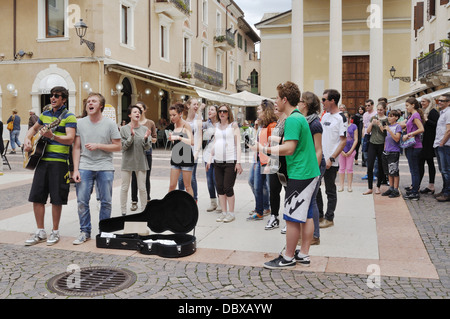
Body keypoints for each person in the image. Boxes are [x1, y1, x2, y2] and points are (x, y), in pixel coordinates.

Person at [262, 82, 320, 269]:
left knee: (292, 216)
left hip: (301, 174)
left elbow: (289, 148)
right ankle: (303, 254)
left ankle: (288, 257)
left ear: (285, 99)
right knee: (307, 214)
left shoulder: (293, 119)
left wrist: (265, 149)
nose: (275, 101)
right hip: (308, 172)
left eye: (277, 98)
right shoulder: (299, 117)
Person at [23, 86, 77, 246]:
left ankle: (55, 231)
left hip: (59, 162)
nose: (53, 98)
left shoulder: (69, 116)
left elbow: (70, 139)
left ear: (64, 99)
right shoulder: (45, 114)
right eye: (51, 95)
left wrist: (52, 136)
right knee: (37, 196)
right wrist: (27, 140)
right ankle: (40, 231)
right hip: (41, 160)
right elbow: (33, 129)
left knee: (56, 198)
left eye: (57, 96)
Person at [71, 92, 121, 244]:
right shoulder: (80, 123)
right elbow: (77, 147)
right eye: (88, 102)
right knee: (81, 201)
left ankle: (104, 232)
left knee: (106, 201)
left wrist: (98, 145)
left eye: (93, 101)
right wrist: (76, 169)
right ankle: (84, 231)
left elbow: (118, 146)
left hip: (105, 167)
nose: (90, 104)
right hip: (85, 166)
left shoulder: (110, 124)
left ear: (100, 106)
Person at [207, 104, 243, 223]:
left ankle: (231, 213)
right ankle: (224, 212)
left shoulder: (233, 126)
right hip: (217, 161)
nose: (222, 113)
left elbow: (238, 145)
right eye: (220, 111)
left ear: (228, 114)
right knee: (220, 188)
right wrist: (209, 158)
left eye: (225, 111)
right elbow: (215, 143)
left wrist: (238, 162)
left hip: (230, 160)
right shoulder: (216, 126)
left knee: (228, 187)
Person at [298, 91, 325, 245]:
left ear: (305, 104)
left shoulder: (315, 123)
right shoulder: (304, 121)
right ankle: (307, 233)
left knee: (311, 200)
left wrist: (314, 171)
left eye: (300, 101)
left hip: (315, 165)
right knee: (306, 200)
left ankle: (315, 236)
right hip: (306, 165)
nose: (298, 104)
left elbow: (318, 149)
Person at [317, 89, 347, 229]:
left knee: (330, 190)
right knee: (316, 188)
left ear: (332, 101)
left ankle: (329, 218)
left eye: (324, 100)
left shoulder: (341, 118)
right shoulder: (325, 116)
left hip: (330, 161)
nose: (322, 102)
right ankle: (320, 215)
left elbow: (343, 141)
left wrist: (332, 158)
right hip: (319, 158)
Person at [247, 99, 277, 221]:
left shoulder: (272, 125)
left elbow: (274, 146)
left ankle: (271, 212)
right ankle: (259, 210)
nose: (257, 112)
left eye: (260, 109)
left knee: (271, 188)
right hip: (260, 160)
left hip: (269, 161)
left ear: (266, 110)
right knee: (257, 185)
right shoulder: (263, 125)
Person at [120, 105, 152, 215]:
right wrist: (131, 136)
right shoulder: (124, 129)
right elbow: (123, 147)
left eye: (139, 112)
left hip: (141, 161)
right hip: (127, 162)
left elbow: (147, 148)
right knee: (124, 187)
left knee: (142, 188)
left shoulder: (144, 129)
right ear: (129, 115)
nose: (137, 114)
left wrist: (146, 138)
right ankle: (123, 210)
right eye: (135, 112)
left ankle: (144, 210)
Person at [130, 102, 157, 211]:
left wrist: (147, 138)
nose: (138, 111)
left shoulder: (150, 123)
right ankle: (134, 201)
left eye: (140, 109)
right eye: (135, 109)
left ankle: (147, 199)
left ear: (144, 110)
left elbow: (155, 139)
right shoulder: (132, 123)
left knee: (146, 177)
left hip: (147, 153)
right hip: (134, 154)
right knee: (134, 178)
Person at [178, 98, 202, 202]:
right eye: (194, 104)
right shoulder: (181, 118)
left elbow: (200, 136)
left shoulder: (198, 119)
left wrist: (197, 152)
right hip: (181, 151)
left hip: (193, 151)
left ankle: (194, 199)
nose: (196, 106)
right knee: (180, 178)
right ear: (188, 105)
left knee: (191, 178)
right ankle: (180, 199)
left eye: (197, 104)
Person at [168, 103, 195, 197]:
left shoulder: (186, 125)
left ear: (180, 114)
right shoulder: (175, 125)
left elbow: (192, 142)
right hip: (176, 157)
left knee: (187, 186)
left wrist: (179, 138)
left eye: (174, 115)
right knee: (172, 186)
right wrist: (172, 139)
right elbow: (176, 142)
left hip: (186, 157)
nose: (172, 117)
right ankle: (168, 207)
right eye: (170, 115)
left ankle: (192, 208)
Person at [400, 97, 425, 201]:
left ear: (413, 105)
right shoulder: (412, 115)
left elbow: (421, 129)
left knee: (414, 170)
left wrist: (409, 134)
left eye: (407, 106)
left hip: (415, 146)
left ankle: (415, 192)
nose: (406, 108)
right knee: (413, 169)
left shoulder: (415, 115)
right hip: (411, 145)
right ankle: (414, 189)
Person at [363, 101, 388, 195]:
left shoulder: (386, 119)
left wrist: (379, 124)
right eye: (378, 110)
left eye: (381, 110)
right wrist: (371, 124)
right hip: (372, 143)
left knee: (381, 166)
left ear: (384, 110)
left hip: (381, 144)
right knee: (370, 166)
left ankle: (378, 186)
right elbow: (368, 131)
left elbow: (385, 133)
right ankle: (369, 187)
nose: (379, 111)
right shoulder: (373, 117)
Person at [418, 95, 439, 195]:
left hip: (429, 142)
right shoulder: (425, 111)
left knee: (426, 162)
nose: (422, 103)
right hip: (425, 141)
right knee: (426, 162)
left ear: (429, 102)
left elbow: (437, 125)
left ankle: (428, 185)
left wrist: (426, 120)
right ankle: (428, 185)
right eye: (421, 102)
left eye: (424, 102)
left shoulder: (433, 112)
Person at [202, 105, 221, 212]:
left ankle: (220, 202)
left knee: (216, 179)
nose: (209, 111)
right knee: (209, 180)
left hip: (218, 155)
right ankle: (213, 202)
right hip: (207, 154)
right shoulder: (206, 124)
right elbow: (196, 124)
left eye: (212, 109)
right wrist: (199, 110)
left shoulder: (221, 123)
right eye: (209, 109)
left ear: (217, 112)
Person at [381, 109, 402, 198]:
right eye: (389, 116)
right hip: (387, 151)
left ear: (396, 118)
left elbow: (397, 138)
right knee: (389, 172)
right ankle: (391, 187)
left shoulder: (397, 127)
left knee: (394, 171)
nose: (389, 118)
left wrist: (389, 130)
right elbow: (386, 139)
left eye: (392, 116)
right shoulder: (388, 126)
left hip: (394, 152)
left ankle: (396, 189)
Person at [433, 93, 450, 202]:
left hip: (445, 145)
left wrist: (442, 143)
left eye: (442, 101)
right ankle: (444, 190)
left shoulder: (448, 113)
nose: (439, 102)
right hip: (440, 144)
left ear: (448, 103)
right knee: (442, 170)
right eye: (439, 100)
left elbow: (448, 130)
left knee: (446, 170)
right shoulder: (442, 113)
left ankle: (447, 193)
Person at [338, 111, 358, 192]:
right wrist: (341, 151)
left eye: (347, 117)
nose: (345, 118)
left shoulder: (354, 126)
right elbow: (338, 139)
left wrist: (351, 150)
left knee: (349, 169)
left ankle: (349, 185)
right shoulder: (340, 126)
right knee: (341, 168)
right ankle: (341, 185)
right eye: (344, 117)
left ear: (350, 118)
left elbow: (356, 139)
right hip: (341, 150)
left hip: (351, 150)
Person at [361, 100, 376, 169]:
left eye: (368, 105)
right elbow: (364, 125)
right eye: (366, 105)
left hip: (373, 135)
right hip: (366, 135)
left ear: (372, 105)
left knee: (373, 155)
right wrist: (363, 134)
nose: (367, 107)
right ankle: (368, 171)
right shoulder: (365, 114)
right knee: (365, 154)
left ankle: (374, 173)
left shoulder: (375, 114)